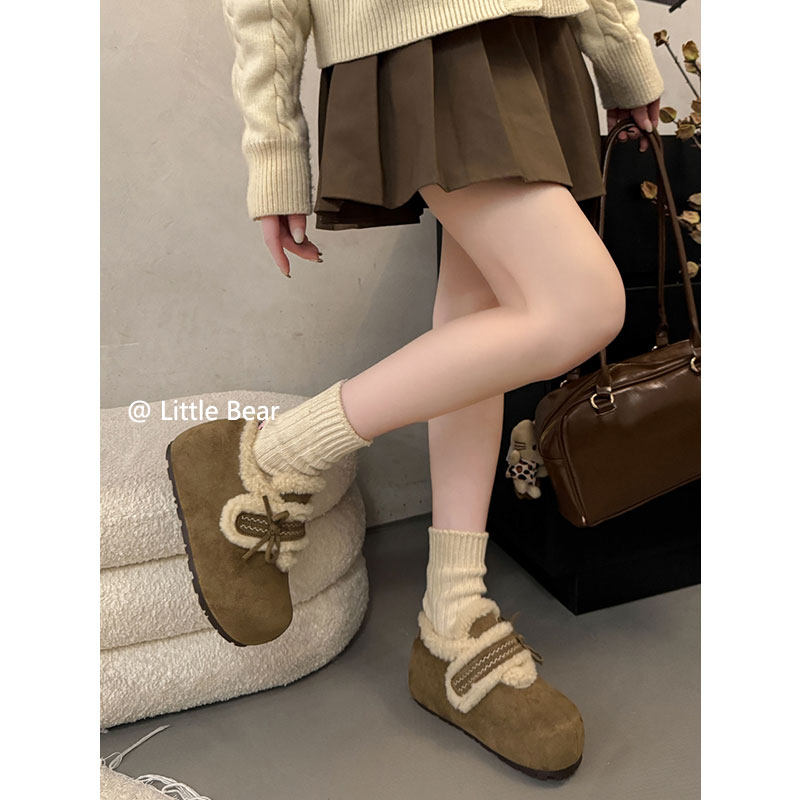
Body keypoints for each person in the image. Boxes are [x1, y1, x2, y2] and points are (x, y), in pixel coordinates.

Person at [175, 0, 664, 781]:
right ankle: (275, 457)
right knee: (585, 306)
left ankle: (452, 618)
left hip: (537, 38)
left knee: (482, 318)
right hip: (425, 42)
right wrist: (274, 147)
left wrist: (617, 53)